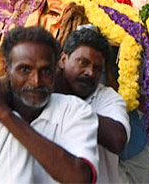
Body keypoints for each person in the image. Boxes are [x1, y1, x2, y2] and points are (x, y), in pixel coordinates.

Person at [0, 26, 100, 183]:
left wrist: (5, 115)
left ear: (55, 71)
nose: (36, 81)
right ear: (7, 69)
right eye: (25, 70)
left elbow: (80, 178)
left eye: (45, 71)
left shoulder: (75, 110)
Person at [54, 28, 129, 184]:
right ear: (63, 60)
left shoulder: (107, 98)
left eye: (97, 68)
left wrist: (67, 106)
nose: (90, 72)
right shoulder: (42, 93)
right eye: (83, 63)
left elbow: (117, 139)